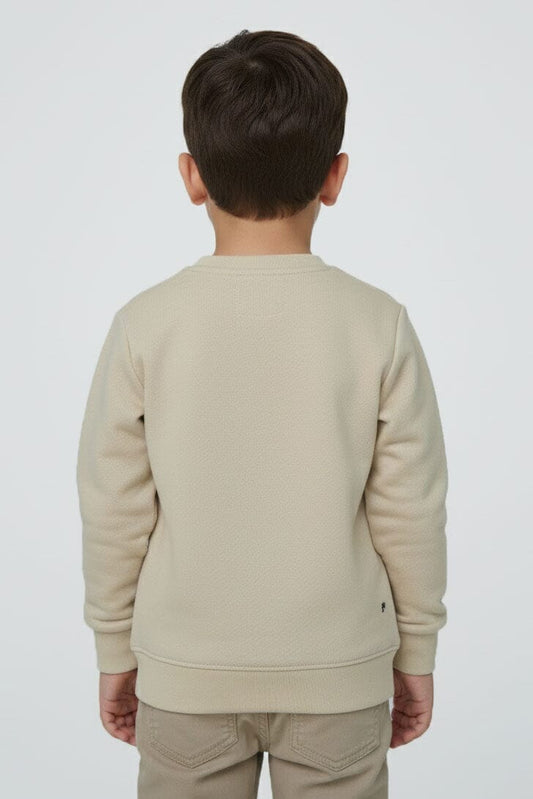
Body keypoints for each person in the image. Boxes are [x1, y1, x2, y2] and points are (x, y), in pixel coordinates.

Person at [76, 28, 448, 799]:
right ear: (335, 176)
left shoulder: (145, 325)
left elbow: (112, 505)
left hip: (185, 675)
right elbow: (410, 507)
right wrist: (415, 651)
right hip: (339, 675)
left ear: (191, 176)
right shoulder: (377, 324)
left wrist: (115, 647)